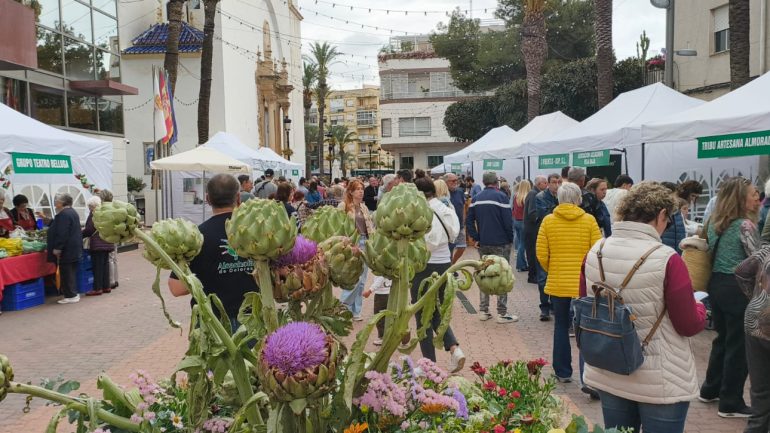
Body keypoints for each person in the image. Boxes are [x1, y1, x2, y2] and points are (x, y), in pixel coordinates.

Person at [581, 182, 706, 433]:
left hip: (610, 367)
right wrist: (699, 307)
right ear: (661, 214)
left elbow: (586, 303)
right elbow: (688, 324)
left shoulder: (595, 251)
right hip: (660, 378)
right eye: (667, 220)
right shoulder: (667, 258)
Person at [700, 177, 760, 418]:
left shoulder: (715, 224)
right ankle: (730, 401)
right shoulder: (746, 225)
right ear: (741, 199)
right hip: (738, 289)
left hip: (716, 285)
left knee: (723, 339)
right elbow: (757, 259)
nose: (757, 198)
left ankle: (710, 389)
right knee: (739, 346)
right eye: (753, 194)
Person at [168, 174, 259, 331]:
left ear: (208, 199)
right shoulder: (257, 231)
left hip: (212, 324)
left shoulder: (196, 237)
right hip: (252, 320)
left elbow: (176, 288)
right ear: (238, 198)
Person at [536, 182, 602, 383]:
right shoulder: (589, 220)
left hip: (558, 283)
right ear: (578, 198)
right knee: (586, 329)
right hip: (583, 283)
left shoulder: (548, 221)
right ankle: (588, 377)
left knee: (561, 326)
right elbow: (597, 252)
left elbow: (541, 253)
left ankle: (563, 371)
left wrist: (553, 269)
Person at [410, 177, 466, 372]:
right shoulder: (447, 208)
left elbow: (425, 241)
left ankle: (429, 364)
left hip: (424, 265)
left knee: (422, 314)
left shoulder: (421, 211)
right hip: (445, 264)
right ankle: (454, 348)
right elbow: (455, 233)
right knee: (435, 311)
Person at [466, 172, 518, 323]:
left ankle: (484, 310)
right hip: (501, 243)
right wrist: (510, 238)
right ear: (496, 182)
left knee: (484, 274)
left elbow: (469, 221)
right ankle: (502, 313)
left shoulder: (476, 198)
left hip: (484, 243)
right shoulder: (502, 197)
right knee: (503, 275)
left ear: (483, 182)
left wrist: (476, 237)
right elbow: (508, 221)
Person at [735, 245, 770, 433]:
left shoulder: (766, 251)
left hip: (755, 321)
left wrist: (755, 298)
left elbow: (741, 271)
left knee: (760, 389)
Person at [338, 180, 374, 321]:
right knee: (353, 278)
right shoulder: (344, 206)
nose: (361, 191)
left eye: (362, 189)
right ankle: (343, 307)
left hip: (366, 242)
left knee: (362, 280)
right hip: (353, 243)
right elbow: (340, 225)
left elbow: (370, 226)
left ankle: (356, 311)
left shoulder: (364, 207)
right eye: (357, 189)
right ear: (351, 191)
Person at [47, 193, 83, 304]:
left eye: (56, 201)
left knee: (66, 272)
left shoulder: (63, 214)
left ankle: (70, 295)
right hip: (73, 247)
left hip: (67, 249)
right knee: (70, 271)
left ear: (62, 203)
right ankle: (72, 293)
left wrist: (57, 248)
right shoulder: (72, 212)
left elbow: (62, 233)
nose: (55, 203)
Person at [534, 174, 560, 320]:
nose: (556, 185)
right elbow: (544, 215)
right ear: (548, 183)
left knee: (555, 275)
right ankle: (544, 307)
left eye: (558, 182)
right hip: (545, 240)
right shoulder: (540, 197)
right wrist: (558, 208)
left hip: (558, 240)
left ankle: (555, 305)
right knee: (543, 277)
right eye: (554, 182)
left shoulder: (562, 196)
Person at [81, 196, 114, 296]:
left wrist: (81, 233)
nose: (89, 208)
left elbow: (90, 229)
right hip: (107, 241)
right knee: (105, 265)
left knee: (97, 266)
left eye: (89, 206)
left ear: (92, 206)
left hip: (97, 243)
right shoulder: (106, 212)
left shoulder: (94, 214)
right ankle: (106, 286)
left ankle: (97, 288)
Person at [524, 176, 547, 285]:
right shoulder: (534, 194)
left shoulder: (534, 193)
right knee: (533, 253)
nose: (546, 185)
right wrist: (542, 219)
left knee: (533, 252)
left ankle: (533, 275)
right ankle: (532, 276)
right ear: (539, 184)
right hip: (532, 230)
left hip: (531, 229)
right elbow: (532, 213)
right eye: (545, 183)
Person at [444, 173, 467, 264]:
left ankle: (452, 264)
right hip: (449, 227)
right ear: (446, 182)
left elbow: (463, 206)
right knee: (450, 249)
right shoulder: (443, 194)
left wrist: (464, 220)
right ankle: (449, 267)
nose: (455, 182)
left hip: (460, 225)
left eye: (457, 180)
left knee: (462, 247)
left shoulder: (460, 191)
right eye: (453, 181)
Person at [363, 275, 391, 346]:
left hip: (381, 295)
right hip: (390, 293)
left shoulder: (380, 272)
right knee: (388, 316)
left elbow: (379, 280)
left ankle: (382, 337)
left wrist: (369, 291)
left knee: (379, 317)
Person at [660, 182, 687, 254]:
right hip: (664, 253)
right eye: (676, 195)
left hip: (678, 253)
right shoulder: (660, 213)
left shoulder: (678, 213)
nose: (678, 199)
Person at [512, 180, 531, 272]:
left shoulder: (516, 196)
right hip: (523, 222)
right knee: (522, 244)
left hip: (516, 221)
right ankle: (521, 265)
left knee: (520, 243)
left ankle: (522, 264)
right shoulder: (526, 197)